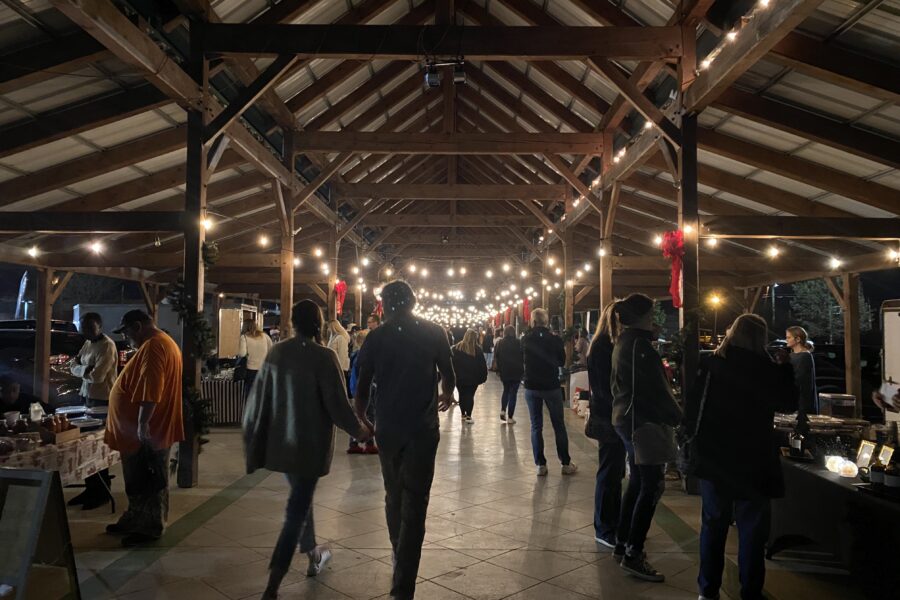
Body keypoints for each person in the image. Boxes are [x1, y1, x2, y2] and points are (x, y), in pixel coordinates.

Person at [243, 300, 371, 599]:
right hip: (310, 447)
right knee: (296, 511)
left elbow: (259, 399)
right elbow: (338, 406)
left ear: (293, 321)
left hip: (281, 445)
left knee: (301, 499)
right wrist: (361, 431)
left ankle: (314, 554)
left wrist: (255, 441)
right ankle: (273, 584)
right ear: (319, 324)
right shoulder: (324, 357)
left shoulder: (277, 352)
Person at [682, 314, 796, 600]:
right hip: (754, 460)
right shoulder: (768, 370)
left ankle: (707, 590)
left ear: (732, 333)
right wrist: (784, 369)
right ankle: (751, 591)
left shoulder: (711, 365)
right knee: (752, 532)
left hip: (714, 456)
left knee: (713, 525)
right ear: (762, 338)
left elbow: (693, 407)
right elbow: (789, 403)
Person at [355, 280, 456, 600]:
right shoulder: (434, 332)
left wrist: (366, 420)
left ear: (384, 305)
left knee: (393, 495)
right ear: (413, 302)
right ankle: (404, 584)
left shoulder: (376, 336)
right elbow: (450, 374)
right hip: (423, 429)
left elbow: (361, 388)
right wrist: (445, 393)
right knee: (417, 502)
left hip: (388, 429)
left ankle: (399, 553)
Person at [610, 294, 681, 582]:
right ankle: (633, 553)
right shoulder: (640, 347)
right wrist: (679, 417)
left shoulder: (624, 342)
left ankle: (622, 542)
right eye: (652, 312)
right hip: (643, 422)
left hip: (626, 419)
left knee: (638, 482)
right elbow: (654, 391)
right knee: (652, 486)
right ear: (643, 315)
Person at [104, 310, 183, 547]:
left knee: (147, 480)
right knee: (139, 480)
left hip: (149, 431)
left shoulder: (154, 346)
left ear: (137, 326)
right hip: (148, 430)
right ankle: (135, 517)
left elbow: (152, 387)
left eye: (126, 332)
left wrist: (142, 422)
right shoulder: (163, 343)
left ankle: (149, 527)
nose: (126, 337)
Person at [67, 312, 118, 510]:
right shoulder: (87, 343)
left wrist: (83, 370)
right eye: (83, 327)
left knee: (98, 445)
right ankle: (90, 488)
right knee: (86, 446)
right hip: (86, 397)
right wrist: (83, 370)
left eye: (89, 327)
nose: (85, 331)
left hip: (102, 400)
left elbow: (97, 376)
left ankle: (102, 491)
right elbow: (72, 365)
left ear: (100, 326)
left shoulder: (107, 345)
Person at [586, 303, 626, 549]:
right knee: (609, 471)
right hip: (609, 417)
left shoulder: (600, 345)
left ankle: (613, 521)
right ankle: (604, 526)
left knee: (614, 470)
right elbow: (604, 388)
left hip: (609, 415)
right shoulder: (604, 347)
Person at [522, 308, 577, 477]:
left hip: (531, 386)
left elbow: (521, 359)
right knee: (558, 425)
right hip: (551, 386)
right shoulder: (555, 340)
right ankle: (566, 463)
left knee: (536, 426)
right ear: (546, 322)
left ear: (533, 322)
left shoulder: (525, 339)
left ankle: (541, 465)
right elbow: (561, 360)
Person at [347, 329, 378, 455]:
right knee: (370, 414)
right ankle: (369, 443)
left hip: (355, 388)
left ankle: (354, 442)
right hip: (365, 389)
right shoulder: (365, 356)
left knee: (358, 416)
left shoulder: (355, 355)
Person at [451, 329, 489, 424]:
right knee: (470, 396)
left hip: (459, 378)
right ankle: (468, 416)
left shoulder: (456, 348)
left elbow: (451, 363)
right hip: (473, 378)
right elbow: (482, 365)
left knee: (462, 395)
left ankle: (463, 414)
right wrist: (483, 376)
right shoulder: (477, 350)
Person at [784, 326, 817, 419]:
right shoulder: (791, 355)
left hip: (800, 403)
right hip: (792, 401)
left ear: (797, 339)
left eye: (788, 337)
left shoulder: (804, 356)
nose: (786, 340)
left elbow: (799, 381)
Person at [494, 325, 524, 424]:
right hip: (516, 371)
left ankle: (503, 409)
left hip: (504, 371)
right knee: (513, 394)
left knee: (506, 390)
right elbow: (523, 356)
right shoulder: (519, 342)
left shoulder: (499, 343)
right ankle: (510, 417)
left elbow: (496, 357)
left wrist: (499, 369)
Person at [237, 318, 273, 399]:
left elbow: (242, 353)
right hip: (264, 369)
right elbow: (272, 349)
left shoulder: (244, 337)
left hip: (251, 370)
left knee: (251, 395)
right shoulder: (265, 336)